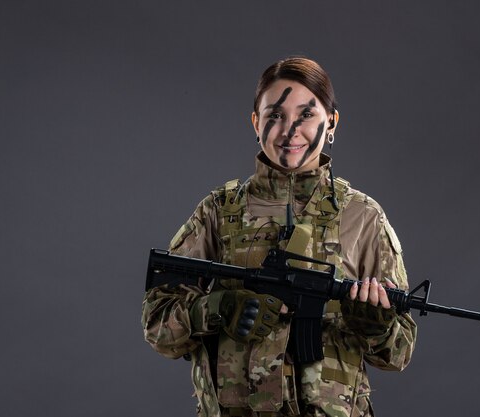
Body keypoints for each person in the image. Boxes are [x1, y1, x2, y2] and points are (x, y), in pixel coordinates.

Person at [142, 57, 417, 417]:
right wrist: (215, 308)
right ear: (255, 123)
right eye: (275, 115)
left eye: (306, 115)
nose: (290, 131)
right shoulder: (217, 213)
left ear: (331, 122)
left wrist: (376, 325)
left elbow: (399, 354)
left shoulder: (362, 218)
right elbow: (157, 326)